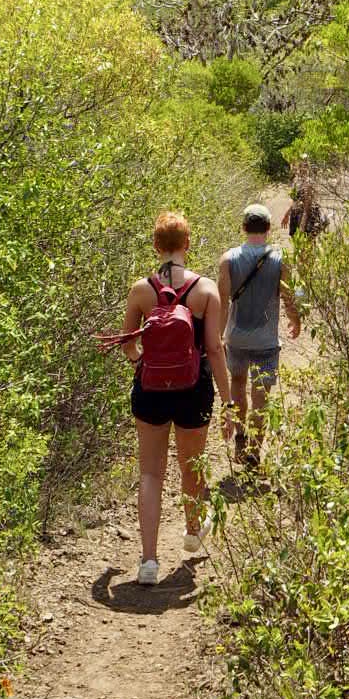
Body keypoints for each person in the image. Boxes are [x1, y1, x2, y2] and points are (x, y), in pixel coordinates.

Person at [115, 210, 232, 587]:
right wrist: (228, 402)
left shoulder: (140, 290)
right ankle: (192, 532)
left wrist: (141, 364)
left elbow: (128, 342)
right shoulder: (206, 290)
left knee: (150, 473)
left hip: (150, 389)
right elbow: (214, 349)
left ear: (155, 246)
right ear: (187, 244)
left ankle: (148, 562)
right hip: (193, 387)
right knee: (190, 465)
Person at [218, 202, 302, 469]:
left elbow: (222, 301)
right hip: (266, 342)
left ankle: (241, 437)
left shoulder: (228, 259)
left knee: (238, 386)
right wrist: (295, 319)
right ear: (267, 228)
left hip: (236, 339)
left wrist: (218, 336)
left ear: (244, 227)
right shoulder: (279, 260)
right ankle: (255, 448)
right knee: (261, 397)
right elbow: (288, 296)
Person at [282, 157, 326, 244]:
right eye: (301, 165)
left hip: (307, 214)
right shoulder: (296, 181)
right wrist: (287, 214)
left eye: (305, 165)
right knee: (297, 241)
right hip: (296, 213)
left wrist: (303, 221)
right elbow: (295, 201)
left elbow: (308, 203)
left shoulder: (309, 182)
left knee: (308, 241)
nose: (302, 168)